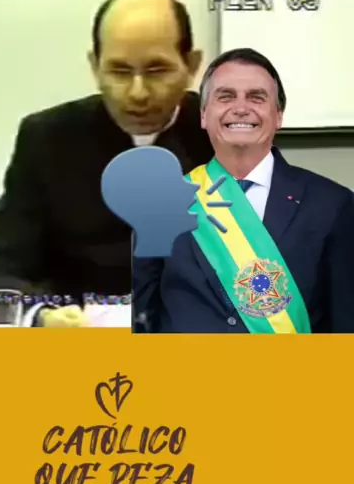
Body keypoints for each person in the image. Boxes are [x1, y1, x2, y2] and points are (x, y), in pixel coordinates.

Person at [0, 0, 214, 326]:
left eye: (157, 70)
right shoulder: (48, 139)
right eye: (119, 72)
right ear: (95, 67)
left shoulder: (229, 140)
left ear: (192, 65)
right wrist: (40, 318)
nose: (138, 93)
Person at [132, 48, 354, 334]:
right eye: (225, 96)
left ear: (278, 116)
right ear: (203, 115)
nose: (240, 108)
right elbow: (140, 318)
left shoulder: (333, 205)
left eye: (256, 97)